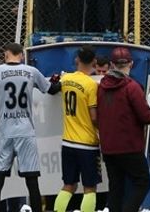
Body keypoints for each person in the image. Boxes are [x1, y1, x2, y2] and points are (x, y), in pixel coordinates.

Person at [0, 43, 59, 212]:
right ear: (21, 55)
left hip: (4, 132)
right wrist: (60, 81)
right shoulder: (32, 72)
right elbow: (51, 90)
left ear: (5, 54)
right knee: (32, 181)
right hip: (25, 132)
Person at [97, 46, 150, 212]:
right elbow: (146, 117)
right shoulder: (132, 87)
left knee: (116, 187)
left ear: (111, 64)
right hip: (129, 145)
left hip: (108, 146)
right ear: (131, 63)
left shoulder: (101, 86)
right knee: (142, 182)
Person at [54, 46, 100, 212]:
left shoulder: (66, 79)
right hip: (87, 143)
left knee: (68, 185)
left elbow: (52, 88)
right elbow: (94, 116)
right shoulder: (91, 85)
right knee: (89, 187)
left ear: (76, 60)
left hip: (68, 141)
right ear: (94, 62)